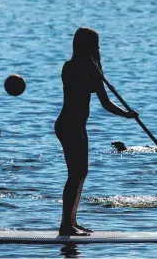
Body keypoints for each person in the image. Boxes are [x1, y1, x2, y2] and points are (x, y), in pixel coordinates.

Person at [55, 27, 138, 235]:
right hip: (67, 125)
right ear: (84, 45)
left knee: (81, 173)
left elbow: (106, 103)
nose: (98, 48)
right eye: (95, 44)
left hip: (79, 126)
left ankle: (72, 222)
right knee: (74, 175)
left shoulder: (93, 69)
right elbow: (78, 88)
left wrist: (127, 115)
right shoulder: (70, 67)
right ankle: (65, 225)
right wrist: (94, 77)